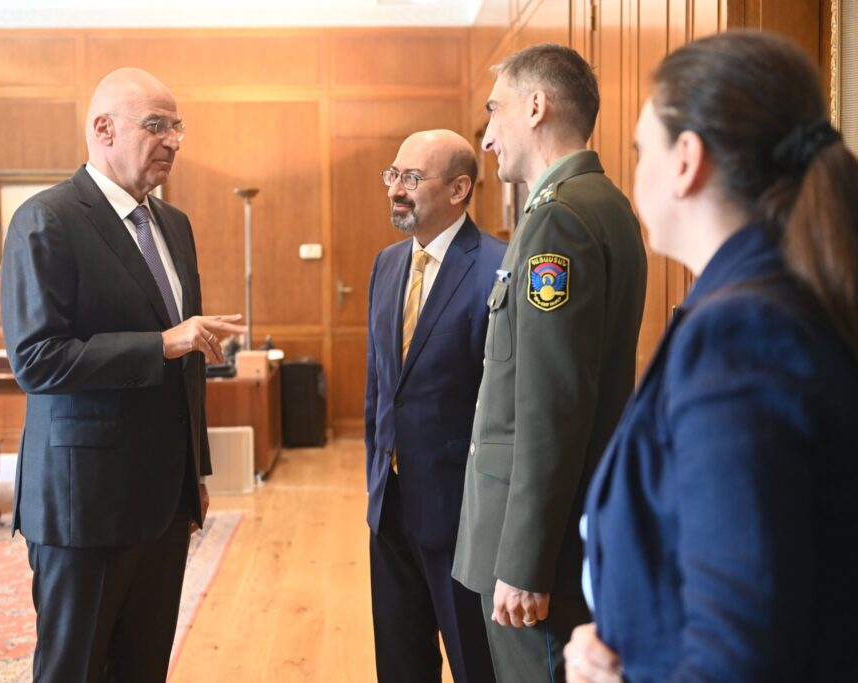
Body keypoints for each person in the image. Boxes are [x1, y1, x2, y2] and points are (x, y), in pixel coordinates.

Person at [565, 30, 858, 683]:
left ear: (685, 160)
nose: (635, 166)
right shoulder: (766, 298)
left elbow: (740, 653)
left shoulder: (740, 334)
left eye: (640, 147)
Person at [0, 67, 246, 682]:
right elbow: (37, 359)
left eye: (178, 126)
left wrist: (196, 473)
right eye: (156, 125)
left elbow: (188, 366)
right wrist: (160, 344)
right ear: (103, 129)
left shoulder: (175, 225)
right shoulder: (47, 219)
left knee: (143, 669)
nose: (173, 141)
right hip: (84, 505)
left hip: (164, 502)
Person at [451, 44, 647, 682]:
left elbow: (551, 406)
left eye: (494, 111)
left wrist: (524, 561)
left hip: (537, 547)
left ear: (535, 106)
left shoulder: (558, 220)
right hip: (561, 529)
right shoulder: (599, 203)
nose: (486, 138)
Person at [366, 129, 504, 683]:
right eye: (393, 175)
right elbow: (381, 387)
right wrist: (376, 477)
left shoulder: (497, 266)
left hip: (459, 514)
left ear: (459, 189)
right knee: (400, 664)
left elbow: (502, 402)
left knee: (474, 664)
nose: (395, 189)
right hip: (390, 505)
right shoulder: (386, 264)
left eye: (411, 178)